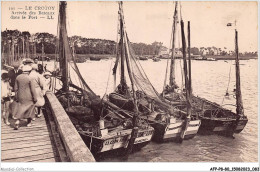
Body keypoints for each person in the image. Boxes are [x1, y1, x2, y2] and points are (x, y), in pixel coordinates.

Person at [12, 65, 37, 129]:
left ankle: (17, 121)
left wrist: (16, 96)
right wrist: (35, 97)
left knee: (21, 108)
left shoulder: (18, 77)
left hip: (20, 95)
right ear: (29, 71)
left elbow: (15, 88)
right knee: (30, 108)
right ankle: (29, 123)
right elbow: (32, 89)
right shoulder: (30, 78)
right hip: (29, 96)